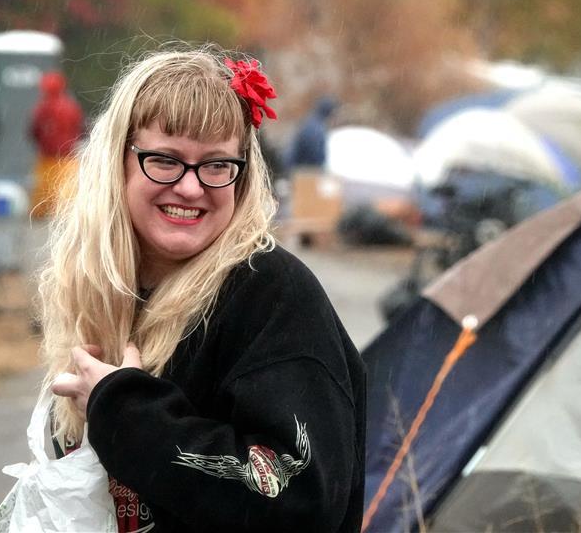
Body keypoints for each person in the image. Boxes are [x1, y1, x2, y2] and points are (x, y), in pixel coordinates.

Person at [42, 47, 365, 532]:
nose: (190, 188)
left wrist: (125, 413)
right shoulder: (100, 289)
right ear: (119, 162)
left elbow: (298, 497)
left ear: (243, 173)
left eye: (216, 165)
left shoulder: (271, 293)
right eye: (165, 160)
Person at [30, 71, 83, 218]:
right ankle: (64, 215)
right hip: (67, 156)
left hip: (47, 157)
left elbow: (34, 131)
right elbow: (79, 128)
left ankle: (39, 216)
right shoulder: (71, 106)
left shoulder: (42, 108)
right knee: (67, 191)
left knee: (42, 190)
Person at [287, 96, 337, 169]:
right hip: (305, 170)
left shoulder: (310, 122)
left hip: (297, 167)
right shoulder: (317, 128)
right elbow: (317, 154)